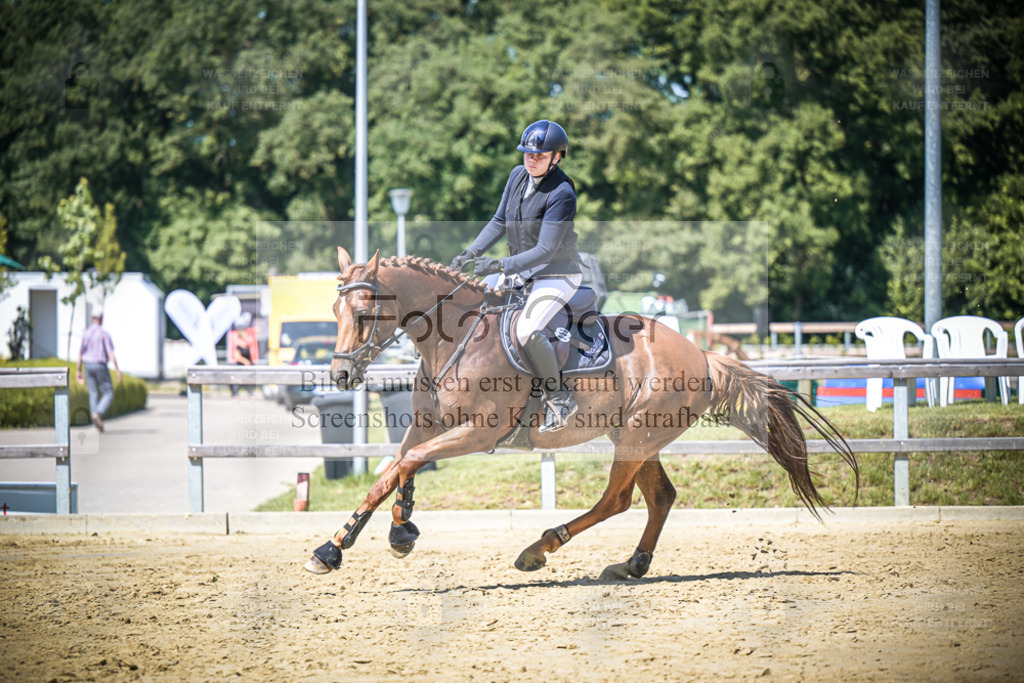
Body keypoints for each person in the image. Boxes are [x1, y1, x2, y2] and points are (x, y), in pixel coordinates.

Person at [450, 119, 582, 433]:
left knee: (525, 331)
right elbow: (498, 222)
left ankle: (560, 398)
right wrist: (471, 253)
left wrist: (500, 266)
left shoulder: (562, 192)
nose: (531, 159)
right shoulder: (517, 176)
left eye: (539, 155)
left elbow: (546, 251)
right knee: (475, 309)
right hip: (522, 272)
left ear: (557, 157)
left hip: (556, 274)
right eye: (527, 153)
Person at [76, 306, 121, 432]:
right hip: (100, 365)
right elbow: (110, 353)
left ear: (92, 318)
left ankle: (95, 420)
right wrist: (117, 369)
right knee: (108, 392)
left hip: (87, 365)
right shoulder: (104, 334)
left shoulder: (86, 333)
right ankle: (98, 413)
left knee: (93, 393)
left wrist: (78, 370)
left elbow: (80, 353)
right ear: (102, 318)